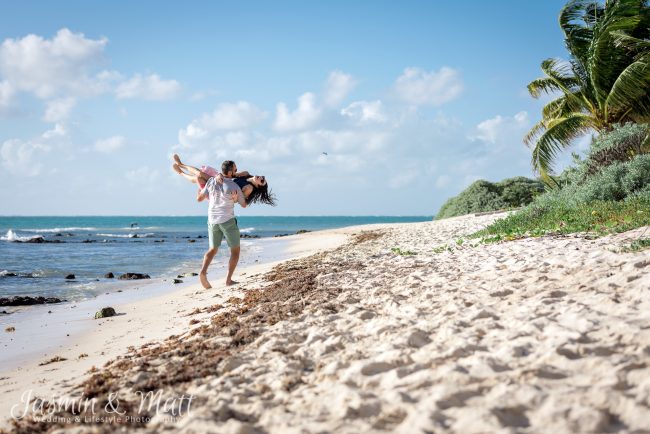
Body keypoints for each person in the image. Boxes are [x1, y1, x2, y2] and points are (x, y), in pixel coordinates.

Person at [197, 160, 247, 289]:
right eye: (235, 170)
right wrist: (236, 199)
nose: (236, 172)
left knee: (213, 249)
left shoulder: (212, 181)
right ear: (230, 172)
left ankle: (203, 272)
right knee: (235, 251)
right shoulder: (234, 186)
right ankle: (228, 280)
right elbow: (244, 204)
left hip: (212, 219)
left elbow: (200, 199)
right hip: (227, 220)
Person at [173, 154, 276, 206]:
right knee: (200, 174)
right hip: (221, 180)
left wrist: (233, 198)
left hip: (220, 191)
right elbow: (231, 175)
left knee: (199, 177)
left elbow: (238, 200)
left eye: (262, 181)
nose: (262, 178)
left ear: (258, 186)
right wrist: (220, 175)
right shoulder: (245, 174)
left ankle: (181, 172)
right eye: (264, 177)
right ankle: (181, 164)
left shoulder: (249, 188)